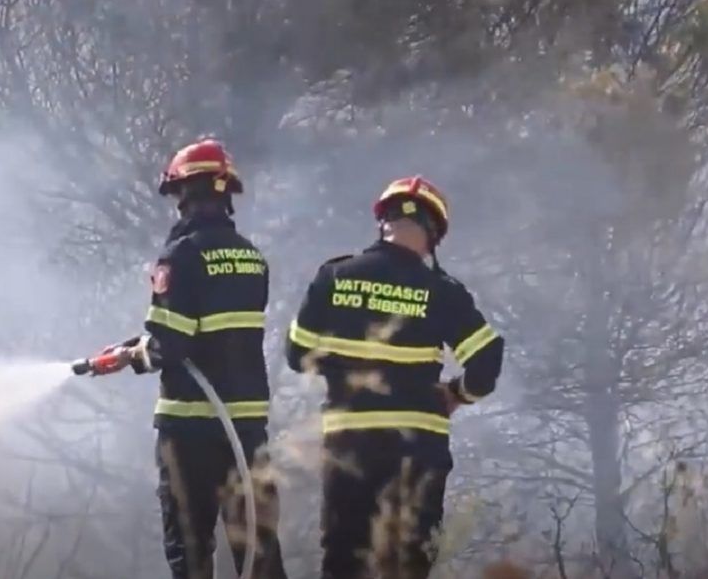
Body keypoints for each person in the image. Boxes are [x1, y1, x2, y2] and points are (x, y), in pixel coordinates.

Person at [285, 175, 505, 579]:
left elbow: (297, 356)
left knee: (343, 560)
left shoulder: (334, 277)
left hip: (348, 446)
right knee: (408, 561)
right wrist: (458, 393)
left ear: (382, 221)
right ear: (433, 233)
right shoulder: (442, 290)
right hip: (416, 449)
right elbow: (488, 360)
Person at [90, 138, 288, 579]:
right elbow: (211, 331)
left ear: (183, 194)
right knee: (258, 551)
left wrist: (131, 356)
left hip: (190, 430)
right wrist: (135, 345)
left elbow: (169, 346)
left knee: (190, 551)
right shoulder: (251, 258)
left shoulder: (180, 254)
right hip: (246, 427)